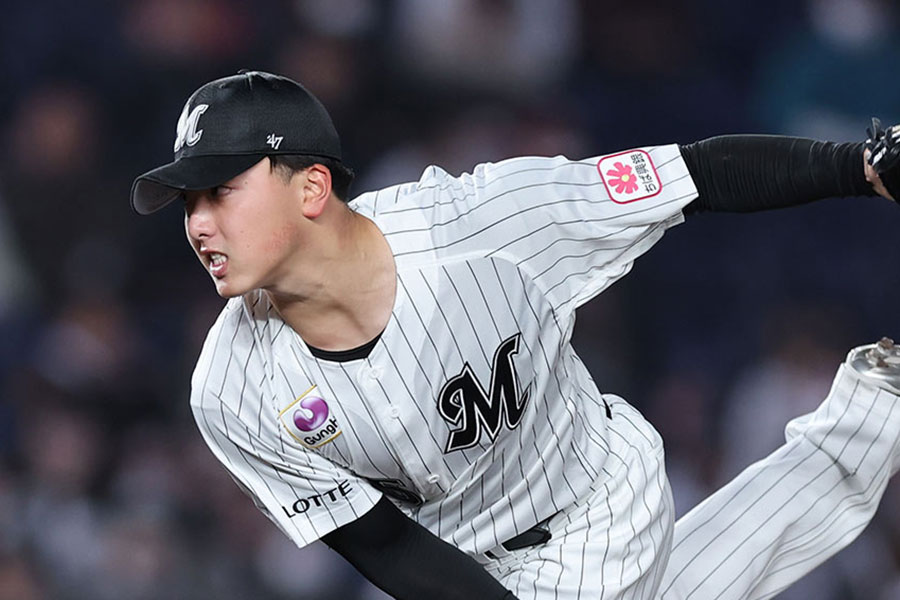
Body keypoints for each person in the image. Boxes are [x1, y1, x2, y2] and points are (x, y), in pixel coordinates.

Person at [131, 71, 900, 600]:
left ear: (311, 187)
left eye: (221, 191)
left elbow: (693, 175)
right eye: (188, 200)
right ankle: (875, 413)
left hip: (596, 506)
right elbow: (383, 546)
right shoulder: (230, 390)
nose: (198, 223)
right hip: (465, 567)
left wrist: (857, 166)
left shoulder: (481, 223)